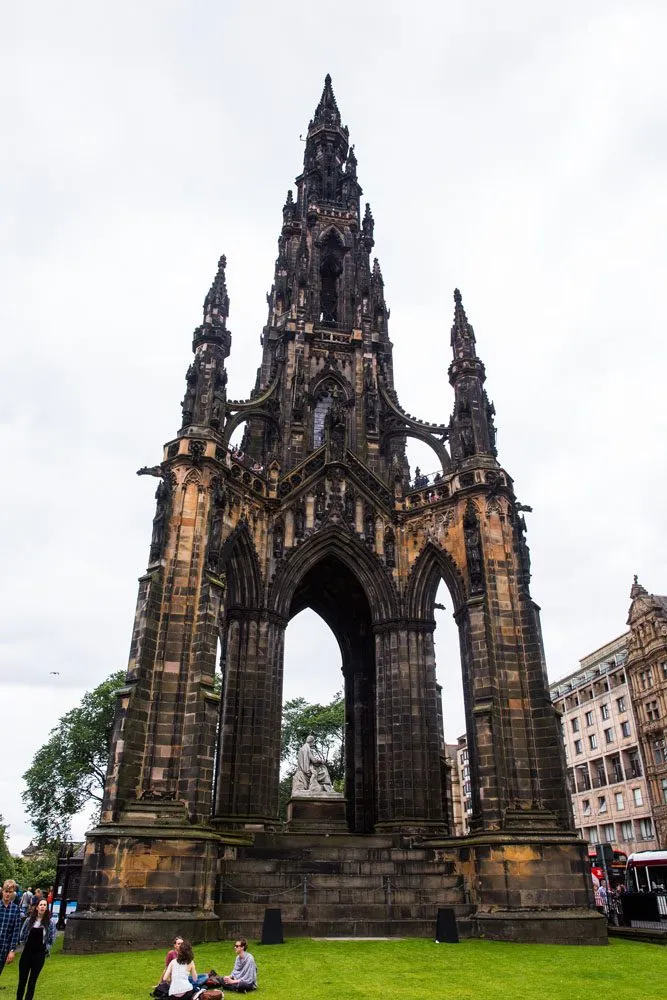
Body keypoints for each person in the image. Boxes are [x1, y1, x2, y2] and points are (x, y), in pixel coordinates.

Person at [16, 896, 56, 1000]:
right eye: (41, 905)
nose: (43, 907)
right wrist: (25, 944)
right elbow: (22, 934)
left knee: (32, 982)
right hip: (27, 954)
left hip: (39, 955)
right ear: (37, 907)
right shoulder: (29, 920)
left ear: (46, 908)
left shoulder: (50, 924)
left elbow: (51, 938)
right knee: (22, 981)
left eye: (45, 905)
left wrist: (46, 948)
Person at [0, 880, 22, 979]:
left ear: (13, 893)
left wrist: (12, 950)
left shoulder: (16, 909)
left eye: (10, 892)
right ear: (2, 891)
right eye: (6, 891)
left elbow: (15, 931)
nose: (7, 894)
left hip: (4, 948)